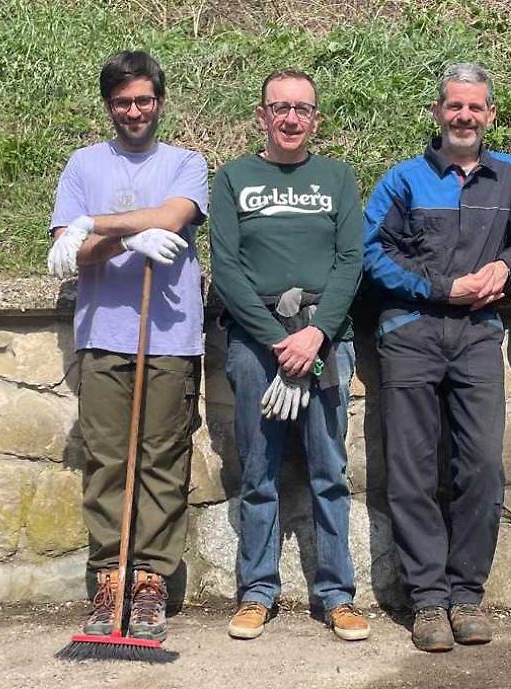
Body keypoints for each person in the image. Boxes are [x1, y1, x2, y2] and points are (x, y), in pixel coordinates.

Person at [361, 63, 511, 652]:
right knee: (410, 471)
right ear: (437, 113)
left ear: (489, 114)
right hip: (411, 331)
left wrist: (505, 269)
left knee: (481, 467)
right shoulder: (404, 180)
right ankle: (428, 601)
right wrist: (440, 288)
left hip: (478, 335)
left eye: (475, 108)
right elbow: (371, 254)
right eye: (454, 107)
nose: (464, 116)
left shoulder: (510, 177)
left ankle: (466, 596)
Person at [46, 50, 207, 642]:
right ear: (109, 106)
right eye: (122, 102)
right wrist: (115, 241)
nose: (133, 110)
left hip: (170, 335)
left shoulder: (186, 162)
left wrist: (98, 225)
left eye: (143, 100)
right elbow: (69, 253)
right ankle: (109, 579)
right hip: (103, 334)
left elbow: (172, 216)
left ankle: (150, 581)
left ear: (159, 102)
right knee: (108, 461)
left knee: (162, 461)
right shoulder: (84, 166)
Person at [210, 69, 367, 641]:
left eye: (302, 108)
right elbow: (225, 267)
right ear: (262, 116)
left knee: (329, 470)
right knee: (259, 470)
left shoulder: (337, 179)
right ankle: (257, 592)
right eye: (280, 108)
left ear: (315, 119)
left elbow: (351, 260)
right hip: (257, 344)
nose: (291, 118)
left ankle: (336, 595)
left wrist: (316, 335)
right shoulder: (232, 179)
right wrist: (277, 340)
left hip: (324, 340)